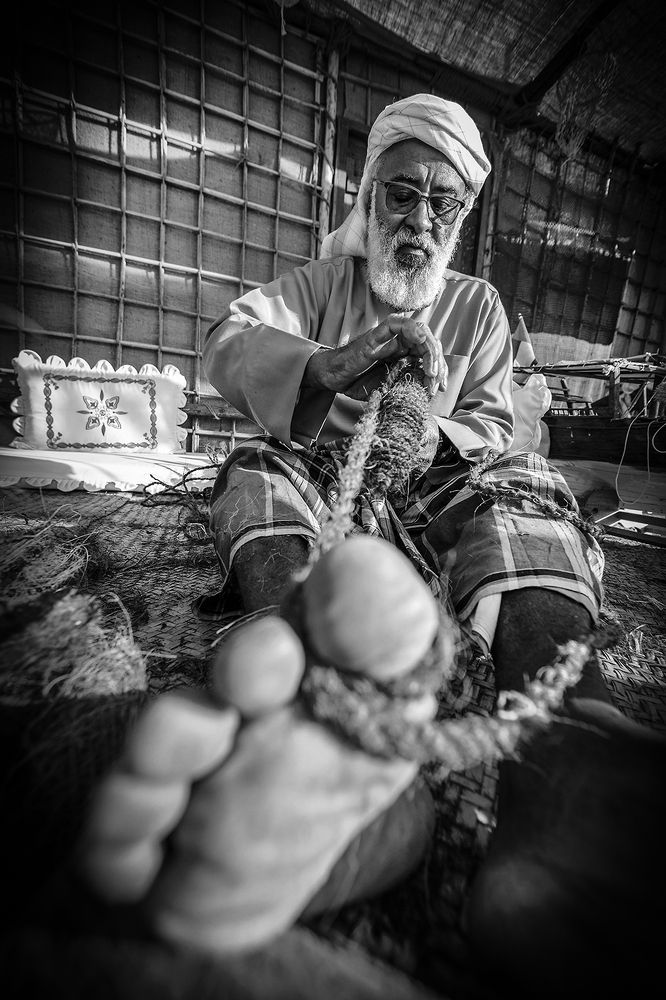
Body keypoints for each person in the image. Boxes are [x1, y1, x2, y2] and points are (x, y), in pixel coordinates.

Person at [78, 95, 665, 997]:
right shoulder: (317, 284)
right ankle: (302, 715)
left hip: (439, 491)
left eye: (443, 205)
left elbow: (501, 425)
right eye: (401, 196)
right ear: (369, 198)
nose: (419, 222)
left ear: (462, 218)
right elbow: (227, 340)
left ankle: (565, 754)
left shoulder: (479, 307)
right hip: (328, 480)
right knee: (253, 470)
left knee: (529, 490)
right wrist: (330, 365)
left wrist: (436, 434)